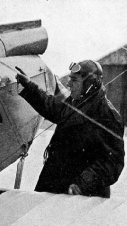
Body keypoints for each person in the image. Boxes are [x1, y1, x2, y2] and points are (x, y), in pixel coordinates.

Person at [16, 60, 125, 198]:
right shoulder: (76, 102)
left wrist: (82, 184)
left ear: (89, 84)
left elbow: (113, 162)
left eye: (74, 80)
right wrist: (29, 86)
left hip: (81, 194)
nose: (68, 84)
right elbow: (52, 107)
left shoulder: (108, 115)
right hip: (56, 183)